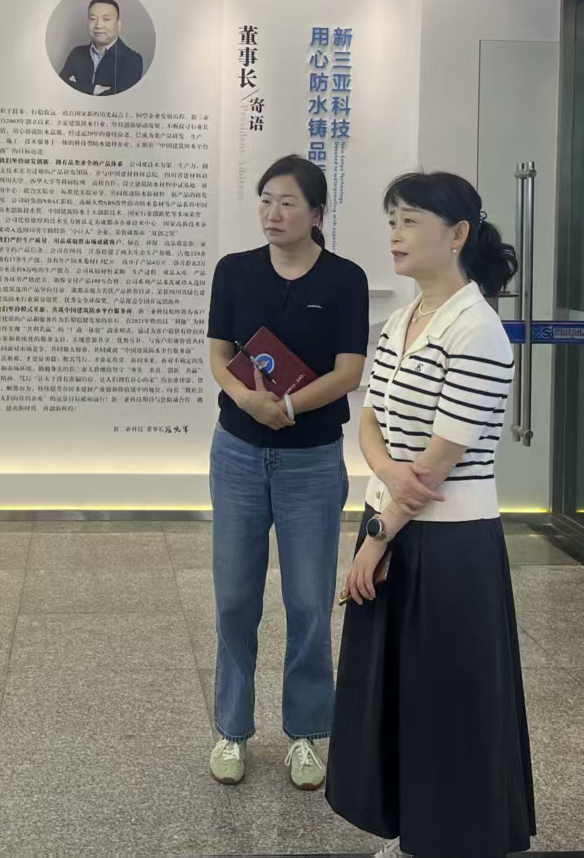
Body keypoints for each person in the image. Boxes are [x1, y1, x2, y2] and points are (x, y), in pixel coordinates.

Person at [327, 171, 535, 858]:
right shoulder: (402, 321)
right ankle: (412, 830)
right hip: (392, 519)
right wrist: (388, 479)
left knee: (444, 696)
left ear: (458, 234)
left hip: (449, 543)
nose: (396, 233)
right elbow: (370, 421)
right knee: (394, 691)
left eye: (410, 220)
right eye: (393, 220)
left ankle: (451, 838)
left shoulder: (479, 330)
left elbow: (440, 460)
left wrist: (376, 539)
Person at [205, 155, 370, 790]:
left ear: (318, 213)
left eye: (288, 203)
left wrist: (291, 407)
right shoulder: (235, 270)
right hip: (238, 453)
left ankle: (306, 733)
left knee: (307, 601)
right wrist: (247, 400)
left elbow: (349, 371)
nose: (273, 214)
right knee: (234, 598)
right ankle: (231, 729)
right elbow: (219, 353)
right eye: (266, 200)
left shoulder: (345, 279)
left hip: (311, 461)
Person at [58, 0, 145, 95]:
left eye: (106, 19)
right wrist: (95, 89)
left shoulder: (132, 59)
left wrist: (76, 86)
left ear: (118, 25)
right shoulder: (77, 53)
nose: (98, 25)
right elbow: (60, 88)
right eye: (93, 19)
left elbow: (118, 100)